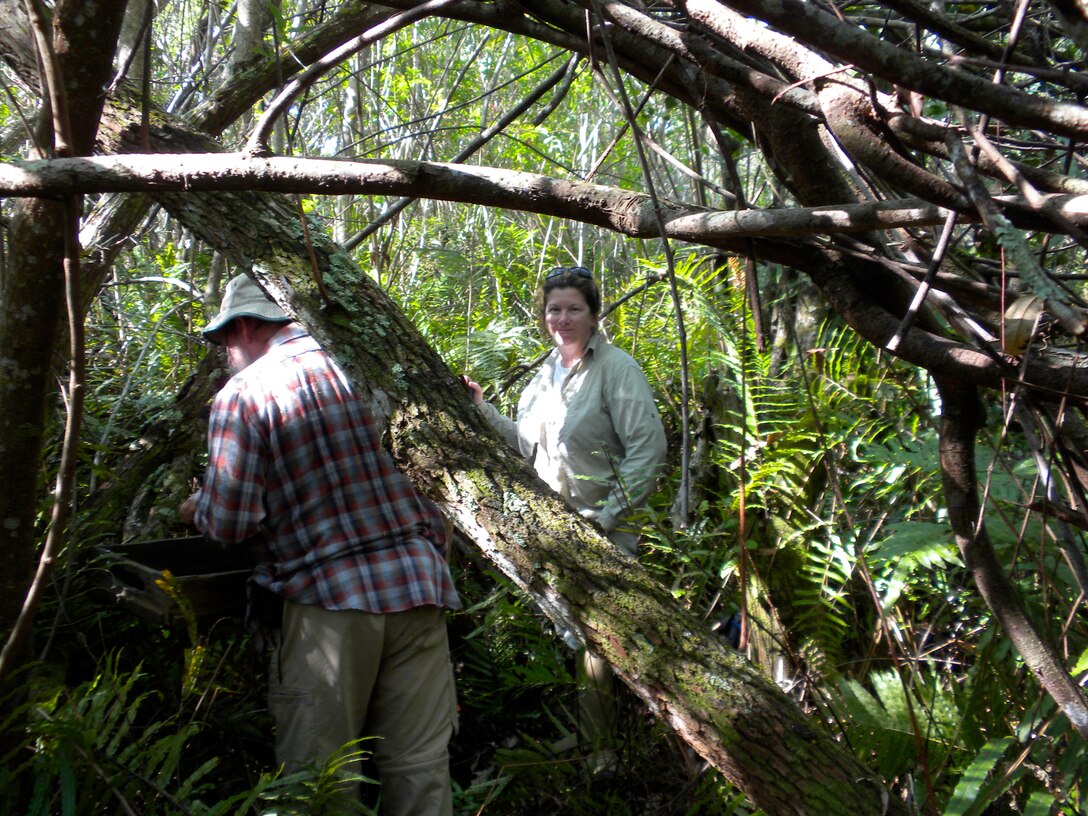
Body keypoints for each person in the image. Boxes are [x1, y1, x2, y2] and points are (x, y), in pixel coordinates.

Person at [179, 273, 460, 815]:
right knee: (420, 771)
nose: (224, 355)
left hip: (327, 604)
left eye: (223, 343)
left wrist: (197, 509)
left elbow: (231, 523)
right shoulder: (369, 365)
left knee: (319, 783)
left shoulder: (243, 396)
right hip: (419, 587)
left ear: (243, 326)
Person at [463, 265, 667, 771]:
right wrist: (481, 410)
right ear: (544, 316)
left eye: (575, 308)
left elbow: (649, 448)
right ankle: (592, 741)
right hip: (553, 531)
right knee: (580, 639)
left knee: (600, 640)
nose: (563, 318)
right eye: (555, 308)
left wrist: (607, 515)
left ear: (594, 314)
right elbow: (525, 448)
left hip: (605, 530)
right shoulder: (541, 379)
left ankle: (605, 755)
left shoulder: (616, 369)